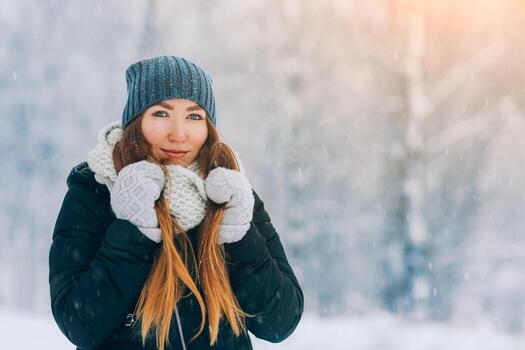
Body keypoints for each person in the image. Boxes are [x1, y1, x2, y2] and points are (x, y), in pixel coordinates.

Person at [48, 55, 304, 350]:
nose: (178, 133)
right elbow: (79, 324)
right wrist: (133, 229)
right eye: (161, 114)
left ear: (209, 127)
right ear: (136, 121)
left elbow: (280, 322)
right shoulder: (95, 192)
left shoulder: (232, 195)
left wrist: (239, 238)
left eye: (194, 116)